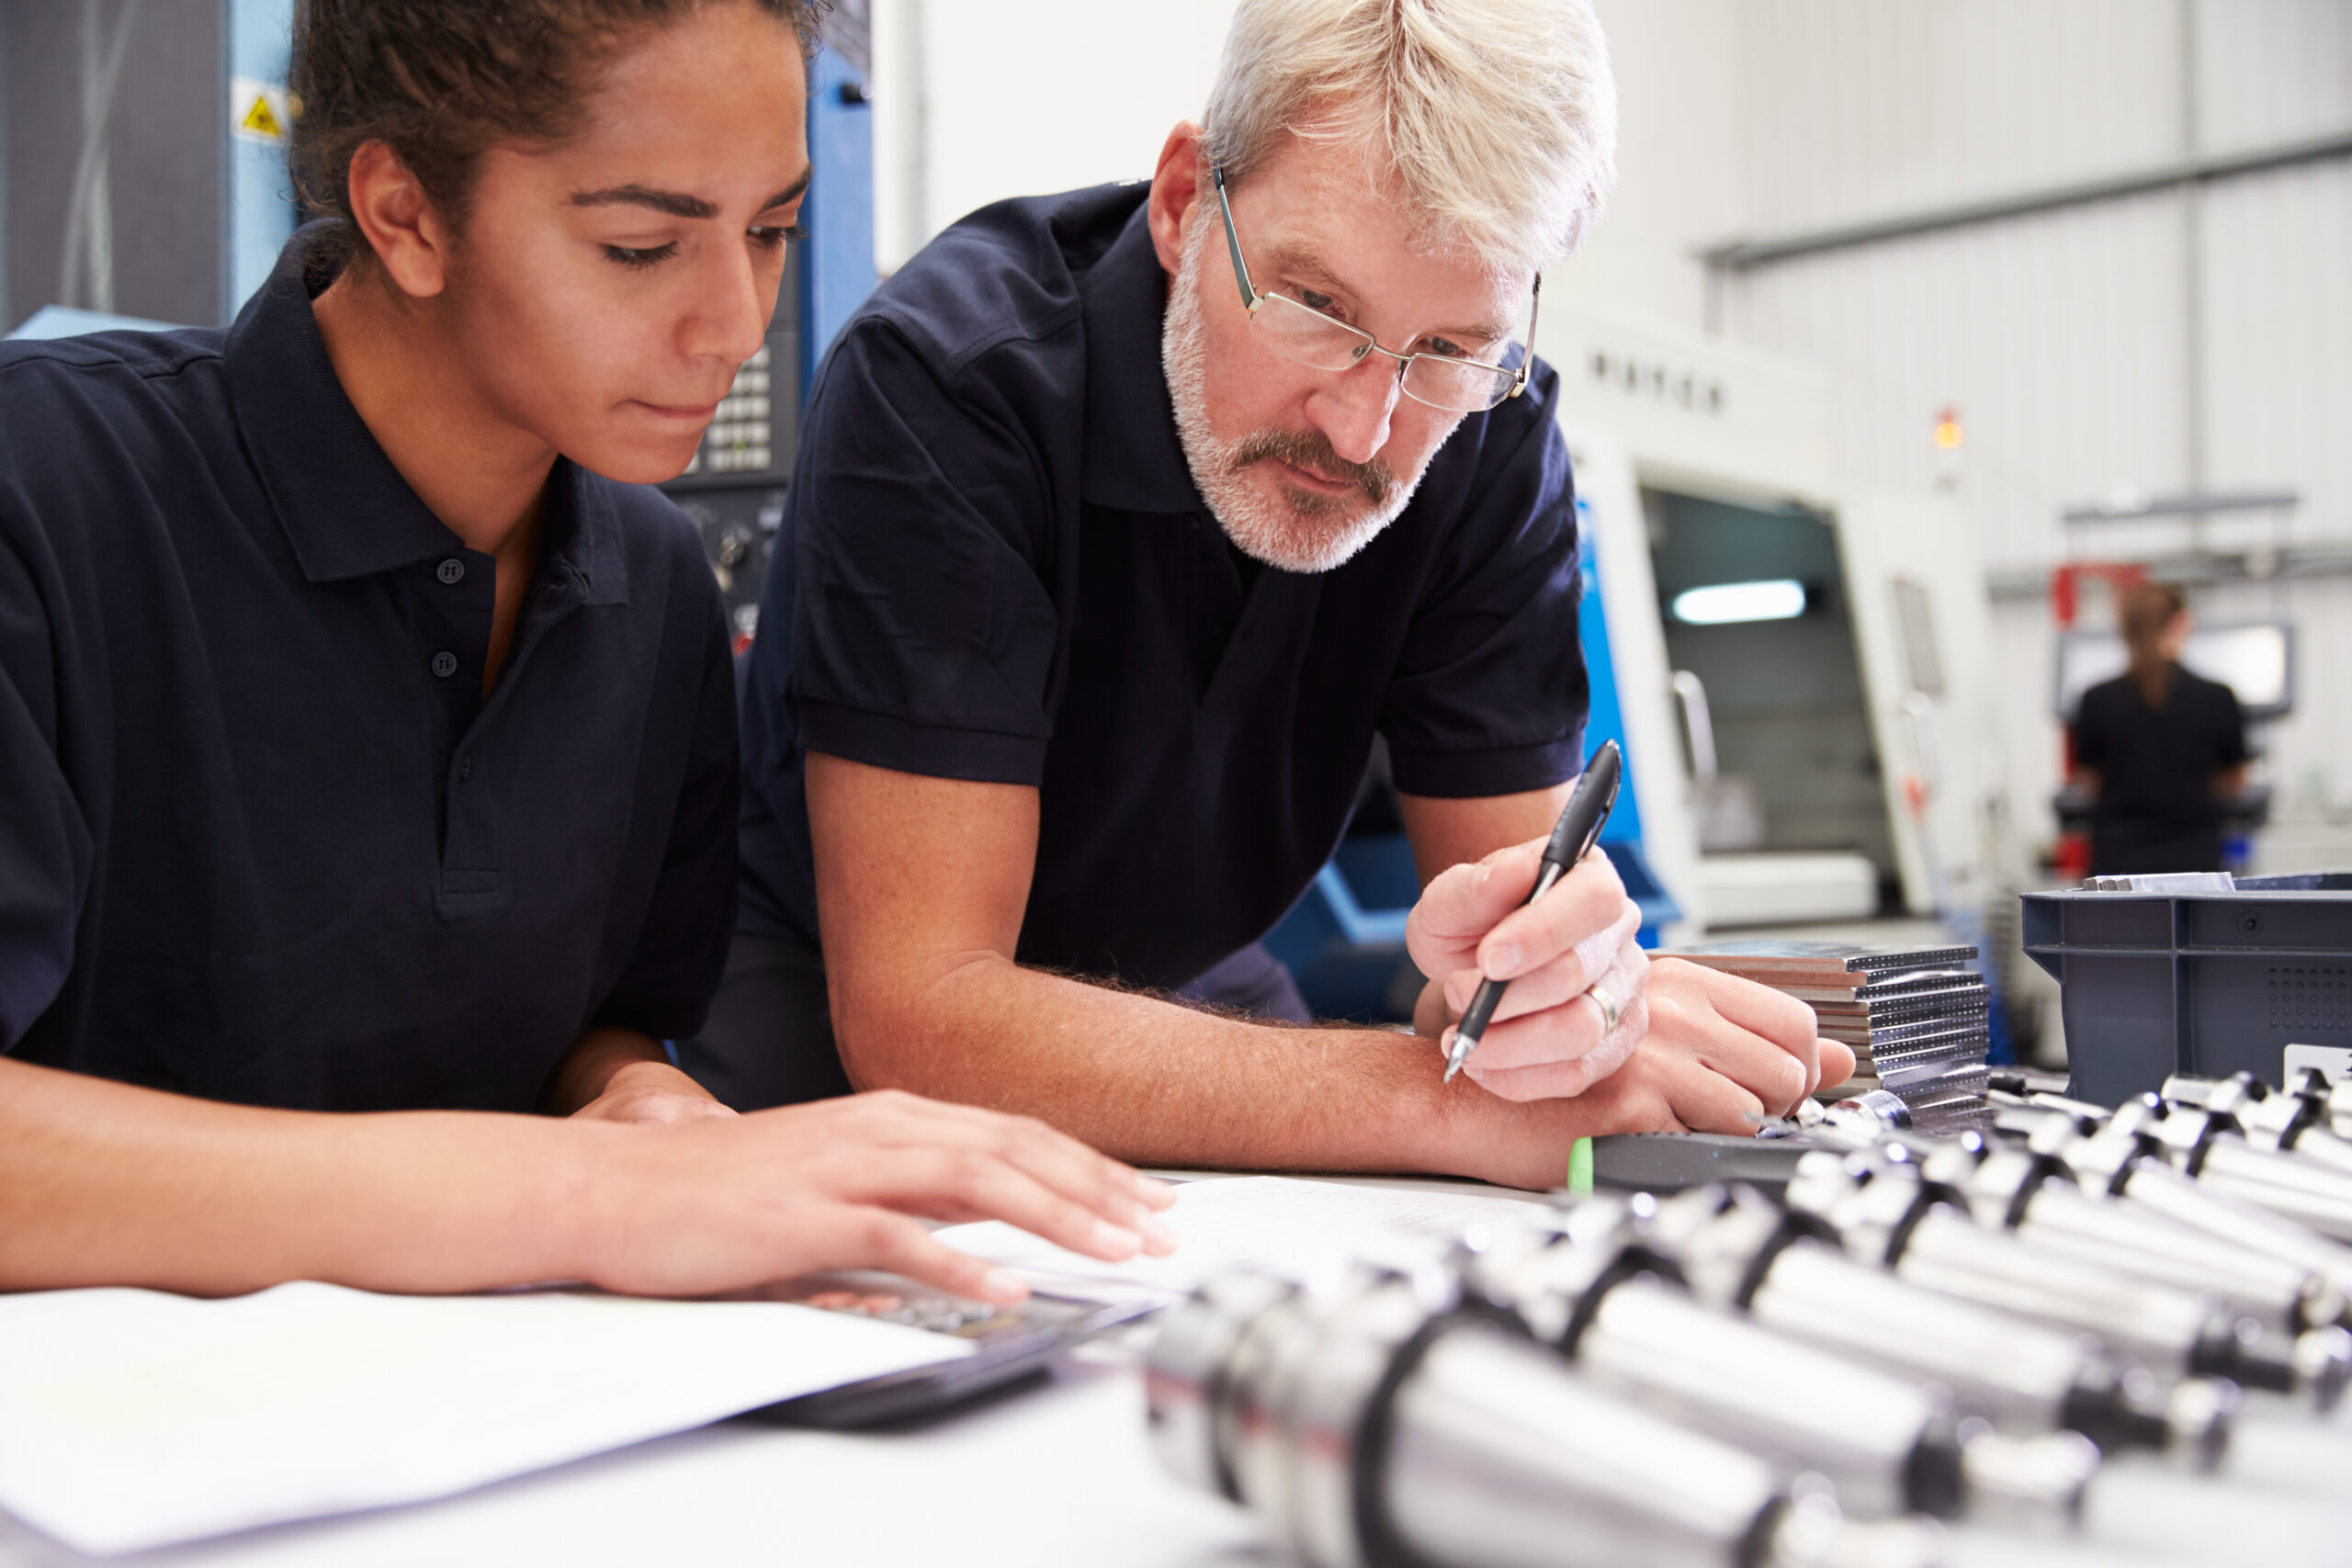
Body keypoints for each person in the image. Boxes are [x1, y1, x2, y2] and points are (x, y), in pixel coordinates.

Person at [0, 0, 1170, 1301]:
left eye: (772, 230)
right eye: (639, 245)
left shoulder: (651, 577)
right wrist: (584, 1195)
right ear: (404, 214)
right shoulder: (46, 493)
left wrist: (642, 1100)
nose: (733, 320)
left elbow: (593, 1024)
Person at [701, 0, 1853, 1190]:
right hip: (831, 995)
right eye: (1317, 307)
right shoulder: (950, 389)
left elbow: (1519, 962)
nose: (1366, 427)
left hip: (1187, 975)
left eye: (1450, 348)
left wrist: (1565, 1000)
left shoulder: (1489, 435)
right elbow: (926, 1014)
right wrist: (1433, 1100)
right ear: (1183, 199)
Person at [2073, 582, 2250, 876]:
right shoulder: (2217, 697)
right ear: (2181, 622)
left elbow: (2089, 785)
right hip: (2196, 867)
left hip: (2118, 869)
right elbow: (2234, 783)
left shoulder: (2096, 700)